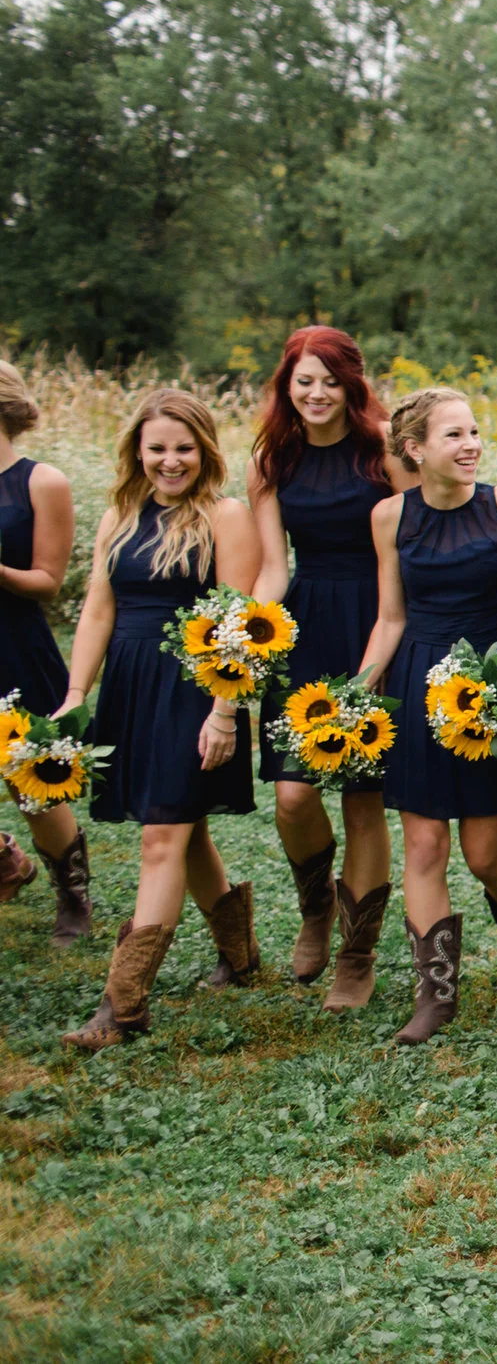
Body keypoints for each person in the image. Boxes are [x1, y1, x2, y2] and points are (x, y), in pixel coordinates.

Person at [62, 390, 264, 1050]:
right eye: (157, 448)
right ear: (137, 451)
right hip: (129, 687)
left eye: (184, 448)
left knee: (162, 838)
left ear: (205, 450)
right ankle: (239, 952)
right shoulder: (121, 512)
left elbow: (238, 621)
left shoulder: (226, 516)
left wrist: (225, 710)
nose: (170, 461)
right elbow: (97, 609)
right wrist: (75, 693)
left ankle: (121, 1007)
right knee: (184, 825)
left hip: (193, 689)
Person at [358, 388, 497, 1046]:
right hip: (416, 682)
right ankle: (435, 993)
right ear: (415, 449)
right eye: (453, 435)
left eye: (473, 432)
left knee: (485, 851)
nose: (470, 446)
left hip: (490, 685)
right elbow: (391, 615)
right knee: (426, 843)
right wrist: (362, 681)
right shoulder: (390, 518)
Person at [247, 327, 406, 1008]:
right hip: (304, 626)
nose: (316, 393)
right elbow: (274, 567)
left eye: (330, 380)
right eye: (303, 380)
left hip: (376, 621)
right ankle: (315, 905)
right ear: (287, 384)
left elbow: (409, 549)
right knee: (293, 794)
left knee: (364, 799)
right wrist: (244, 637)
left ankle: (357, 951)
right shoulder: (270, 459)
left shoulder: (382, 452)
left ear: (352, 385)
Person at [0, 360, 91, 946]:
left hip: (13, 642)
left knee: (30, 780)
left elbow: (48, 580)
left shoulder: (41, 481)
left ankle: (73, 895)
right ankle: (9, 861)